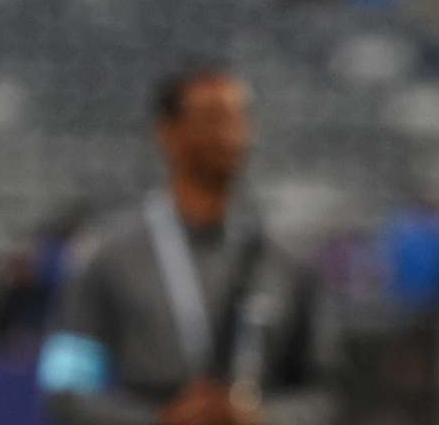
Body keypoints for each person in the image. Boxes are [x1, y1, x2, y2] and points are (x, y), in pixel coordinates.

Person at [38, 65, 337, 425]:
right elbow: (65, 390)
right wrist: (159, 422)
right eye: (212, 118)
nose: (231, 134)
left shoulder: (285, 263)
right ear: (167, 131)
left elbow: (326, 395)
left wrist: (261, 418)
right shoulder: (108, 257)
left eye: (240, 118)